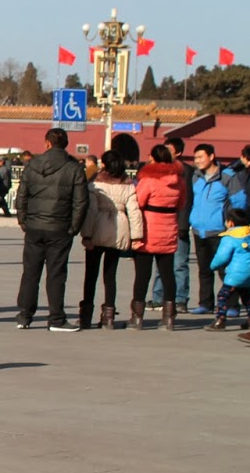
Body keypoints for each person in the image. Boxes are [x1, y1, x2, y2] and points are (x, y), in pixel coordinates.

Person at [14, 128, 89, 331]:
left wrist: (23, 220)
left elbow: (22, 195)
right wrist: (74, 227)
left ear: (47, 143)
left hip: (34, 226)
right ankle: (56, 318)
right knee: (56, 273)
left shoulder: (32, 165)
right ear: (66, 144)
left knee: (30, 272)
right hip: (59, 226)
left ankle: (24, 315)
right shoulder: (74, 168)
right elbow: (81, 202)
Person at [77, 151, 143, 330]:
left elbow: (91, 211)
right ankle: (109, 316)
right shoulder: (128, 184)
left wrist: (86, 235)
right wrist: (136, 236)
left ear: (105, 164)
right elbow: (134, 212)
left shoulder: (96, 183)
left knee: (91, 275)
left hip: (98, 228)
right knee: (110, 275)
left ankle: (86, 315)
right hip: (119, 228)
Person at [131, 144, 183, 331]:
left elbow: (138, 202)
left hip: (149, 229)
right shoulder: (179, 181)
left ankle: (137, 317)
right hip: (169, 228)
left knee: (142, 275)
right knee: (168, 274)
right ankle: (168, 317)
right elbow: (181, 203)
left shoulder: (149, 180)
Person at [149, 135, 196, 310]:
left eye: (170, 150)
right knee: (161, 263)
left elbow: (187, 200)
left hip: (178, 223)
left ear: (179, 153)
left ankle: (180, 299)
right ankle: (158, 297)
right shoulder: (160, 170)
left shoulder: (186, 172)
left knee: (179, 264)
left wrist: (183, 225)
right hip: (162, 224)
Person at [188, 143, 231, 315]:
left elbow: (237, 201)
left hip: (219, 231)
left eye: (200, 157)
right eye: (195, 158)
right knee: (204, 270)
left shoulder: (226, 177)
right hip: (199, 230)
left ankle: (231, 305)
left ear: (211, 156)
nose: (197, 161)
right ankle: (205, 303)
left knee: (224, 270)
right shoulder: (195, 177)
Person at [203, 208, 250, 332]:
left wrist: (212, 266)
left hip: (235, 274)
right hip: (249, 273)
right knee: (247, 297)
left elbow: (222, 257)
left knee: (223, 296)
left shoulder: (230, 238)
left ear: (231, 223)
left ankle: (220, 320)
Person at [224, 145, 250, 218]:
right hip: (233, 208)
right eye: (248, 160)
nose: (249, 163)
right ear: (242, 157)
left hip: (248, 209)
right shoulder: (232, 169)